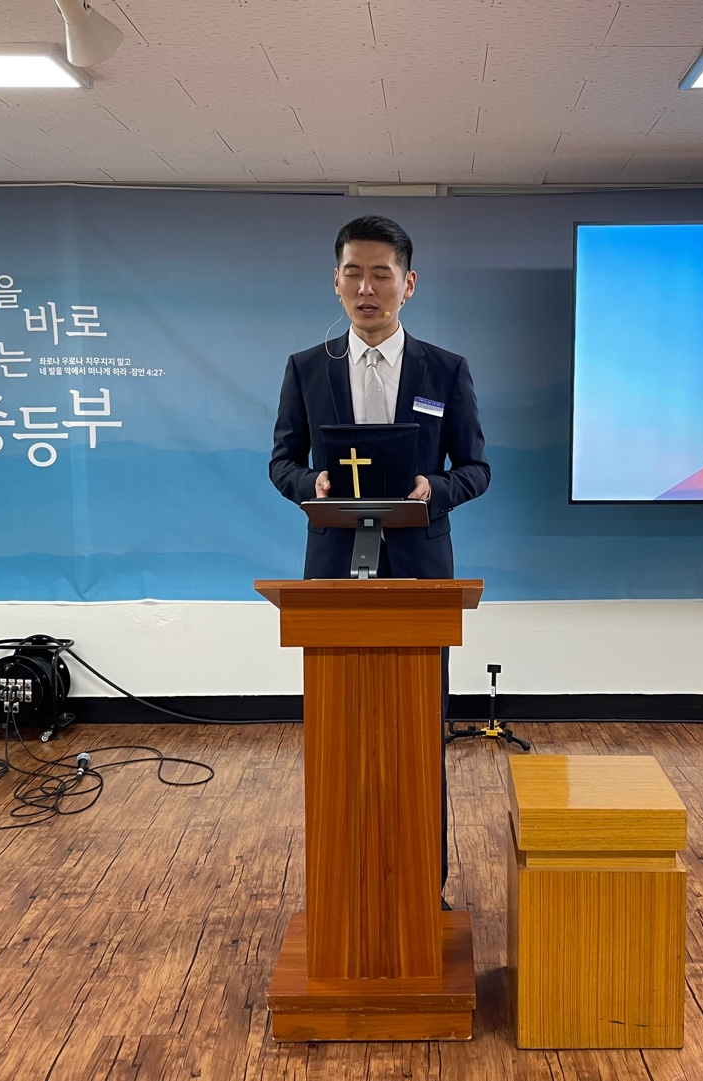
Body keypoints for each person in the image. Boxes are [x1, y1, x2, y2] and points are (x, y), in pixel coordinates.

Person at [269, 214, 490, 895]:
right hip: (335, 572)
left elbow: (476, 468)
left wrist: (435, 489)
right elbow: (282, 461)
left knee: (419, 731)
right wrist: (311, 484)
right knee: (338, 734)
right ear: (335, 282)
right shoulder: (308, 368)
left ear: (408, 283)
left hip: (420, 575)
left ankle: (425, 882)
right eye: (353, 274)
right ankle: (342, 884)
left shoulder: (444, 370)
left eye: (381, 274)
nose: (367, 288)